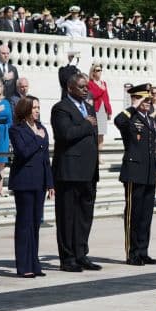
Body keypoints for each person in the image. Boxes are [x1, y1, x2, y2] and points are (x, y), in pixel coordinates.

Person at [50, 72, 101, 272]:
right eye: (81, 87)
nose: (86, 89)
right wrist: (86, 124)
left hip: (88, 171)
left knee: (84, 216)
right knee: (67, 216)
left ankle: (81, 253)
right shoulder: (61, 108)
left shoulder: (89, 107)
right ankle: (67, 257)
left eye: (86, 86)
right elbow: (66, 135)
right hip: (69, 171)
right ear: (70, 88)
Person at [8, 95, 54, 277]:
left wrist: (50, 182)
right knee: (24, 224)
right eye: (34, 107)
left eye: (38, 107)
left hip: (40, 181)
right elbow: (23, 152)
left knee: (35, 223)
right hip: (24, 181)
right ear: (25, 109)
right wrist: (36, 138)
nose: (37, 110)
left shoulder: (41, 128)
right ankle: (23, 265)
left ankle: (34, 263)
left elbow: (45, 159)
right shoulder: (16, 129)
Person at [114, 84, 156, 265]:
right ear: (136, 99)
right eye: (144, 99)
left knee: (146, 215)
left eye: (149, 99)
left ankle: (143, 250)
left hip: (148, 172)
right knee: (133, 214)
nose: (147, 102)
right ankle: (132, 253)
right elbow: (118, 121)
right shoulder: (130, 118)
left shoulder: (150, 120)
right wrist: (133, 106)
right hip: (134, 172)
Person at [87, 63, 112, 149]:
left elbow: (106, 97)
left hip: (103, 110)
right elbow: (93, 95)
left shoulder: (103, 83)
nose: (100, 72)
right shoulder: (90, 83)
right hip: (95, 109)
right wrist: (101, 89)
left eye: (100, 70)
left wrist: (109, 111)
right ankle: (94, 155)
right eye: (97, 70)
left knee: (101, 133)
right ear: (93, 72)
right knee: (95, 132)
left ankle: (100, 155)